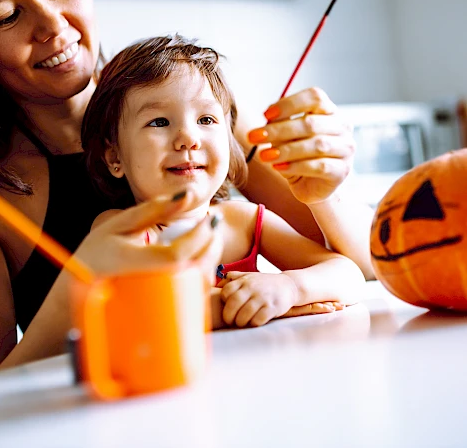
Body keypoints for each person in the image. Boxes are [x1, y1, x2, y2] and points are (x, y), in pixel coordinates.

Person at [0, 0, 373, 377]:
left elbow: (365, 269)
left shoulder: (191, 101)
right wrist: (75, 292)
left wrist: (329, 194)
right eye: (7, 16)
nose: (52, 26)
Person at [81, 35, 366, 328]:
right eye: (159, 122)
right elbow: (143, 309)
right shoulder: (119, 230)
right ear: (114, 157)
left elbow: (349, 275)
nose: (189, 139)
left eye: (205, 120)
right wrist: (253, 303)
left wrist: (289, 288)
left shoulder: (242, 221)